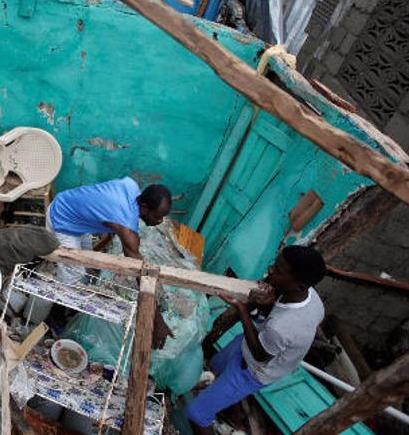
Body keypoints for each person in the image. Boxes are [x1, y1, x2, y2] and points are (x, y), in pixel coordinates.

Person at [186, 245, 326, 434]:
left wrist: (242, 309)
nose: (270, 271)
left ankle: (219, 409)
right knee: (217, 366)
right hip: (251, 344)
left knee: (196, 413)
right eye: (274, 265)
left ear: (299, 284)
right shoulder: (311, 297)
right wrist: (268, 303)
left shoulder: (283, 327)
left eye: (278, 271)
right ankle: (231, 411)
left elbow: (260, 354)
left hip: (253, 370)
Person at [46, 177, 173, 347]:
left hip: (74, 212)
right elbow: (141, 273)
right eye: (158, 216)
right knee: (73, 274)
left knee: (85, 264)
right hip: (61, 219)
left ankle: (66, 305)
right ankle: (54, 317)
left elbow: (104, 203)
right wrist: (158, 321)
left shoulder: (131, 186)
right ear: (143, 207)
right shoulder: (125, 224)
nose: (160, 221)